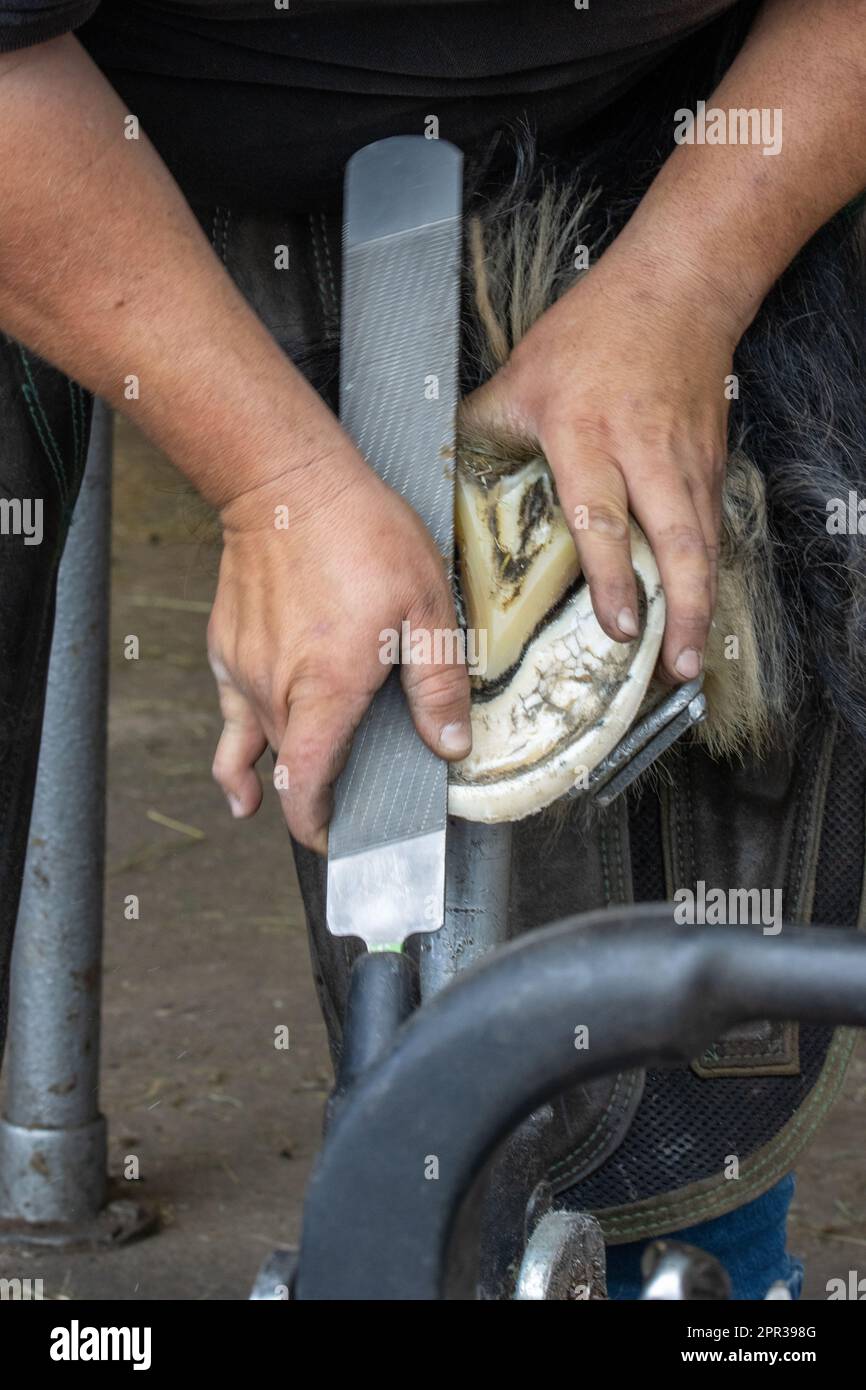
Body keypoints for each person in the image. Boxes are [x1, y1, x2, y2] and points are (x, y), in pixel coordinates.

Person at [1, 0, 865, 1299]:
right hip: (78, 112)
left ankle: (657, 1264)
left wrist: (685, 278)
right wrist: (269, 476)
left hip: (648, 99)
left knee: (605, 1084)